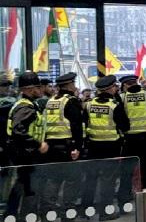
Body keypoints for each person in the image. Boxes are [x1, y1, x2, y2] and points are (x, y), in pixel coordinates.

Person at [83, 75, 130, 221]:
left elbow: (84, 125)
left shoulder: (89, 104)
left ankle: (86, 211)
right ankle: (105, 212)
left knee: (90, 180)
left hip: (92, 147)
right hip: (111, 147)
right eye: (114, 86)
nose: (116, 88)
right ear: (109, 89)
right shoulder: (114, 106)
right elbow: (125, 126)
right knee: (107, 181)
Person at [40, 73, 85, 219]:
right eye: (73, 84)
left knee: (53, 180)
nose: (74, 86)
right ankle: (68, 214)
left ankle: (49, 213)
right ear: (69, 85)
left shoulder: (51, 101)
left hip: (51, 147)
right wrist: (78, 148)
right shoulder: (71, 101)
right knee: (71, 181)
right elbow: (77, 126)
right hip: (67, 147)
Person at [6, 72, 48, 219]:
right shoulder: (25, 108)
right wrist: (38, 144)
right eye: (38, 87)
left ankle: (12, 216)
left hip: (24, 154)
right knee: (29, 190)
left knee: (21, 188)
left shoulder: (28, 105)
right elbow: (18, 130)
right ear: (30, 89)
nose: (41, 90)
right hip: (26, 155)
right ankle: (26, 217)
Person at [0, 76, 16, 166]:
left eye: (8, 85)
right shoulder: (9, 103)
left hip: (9, 142)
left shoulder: (12, 101)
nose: (7, 88)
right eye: (4, 85)